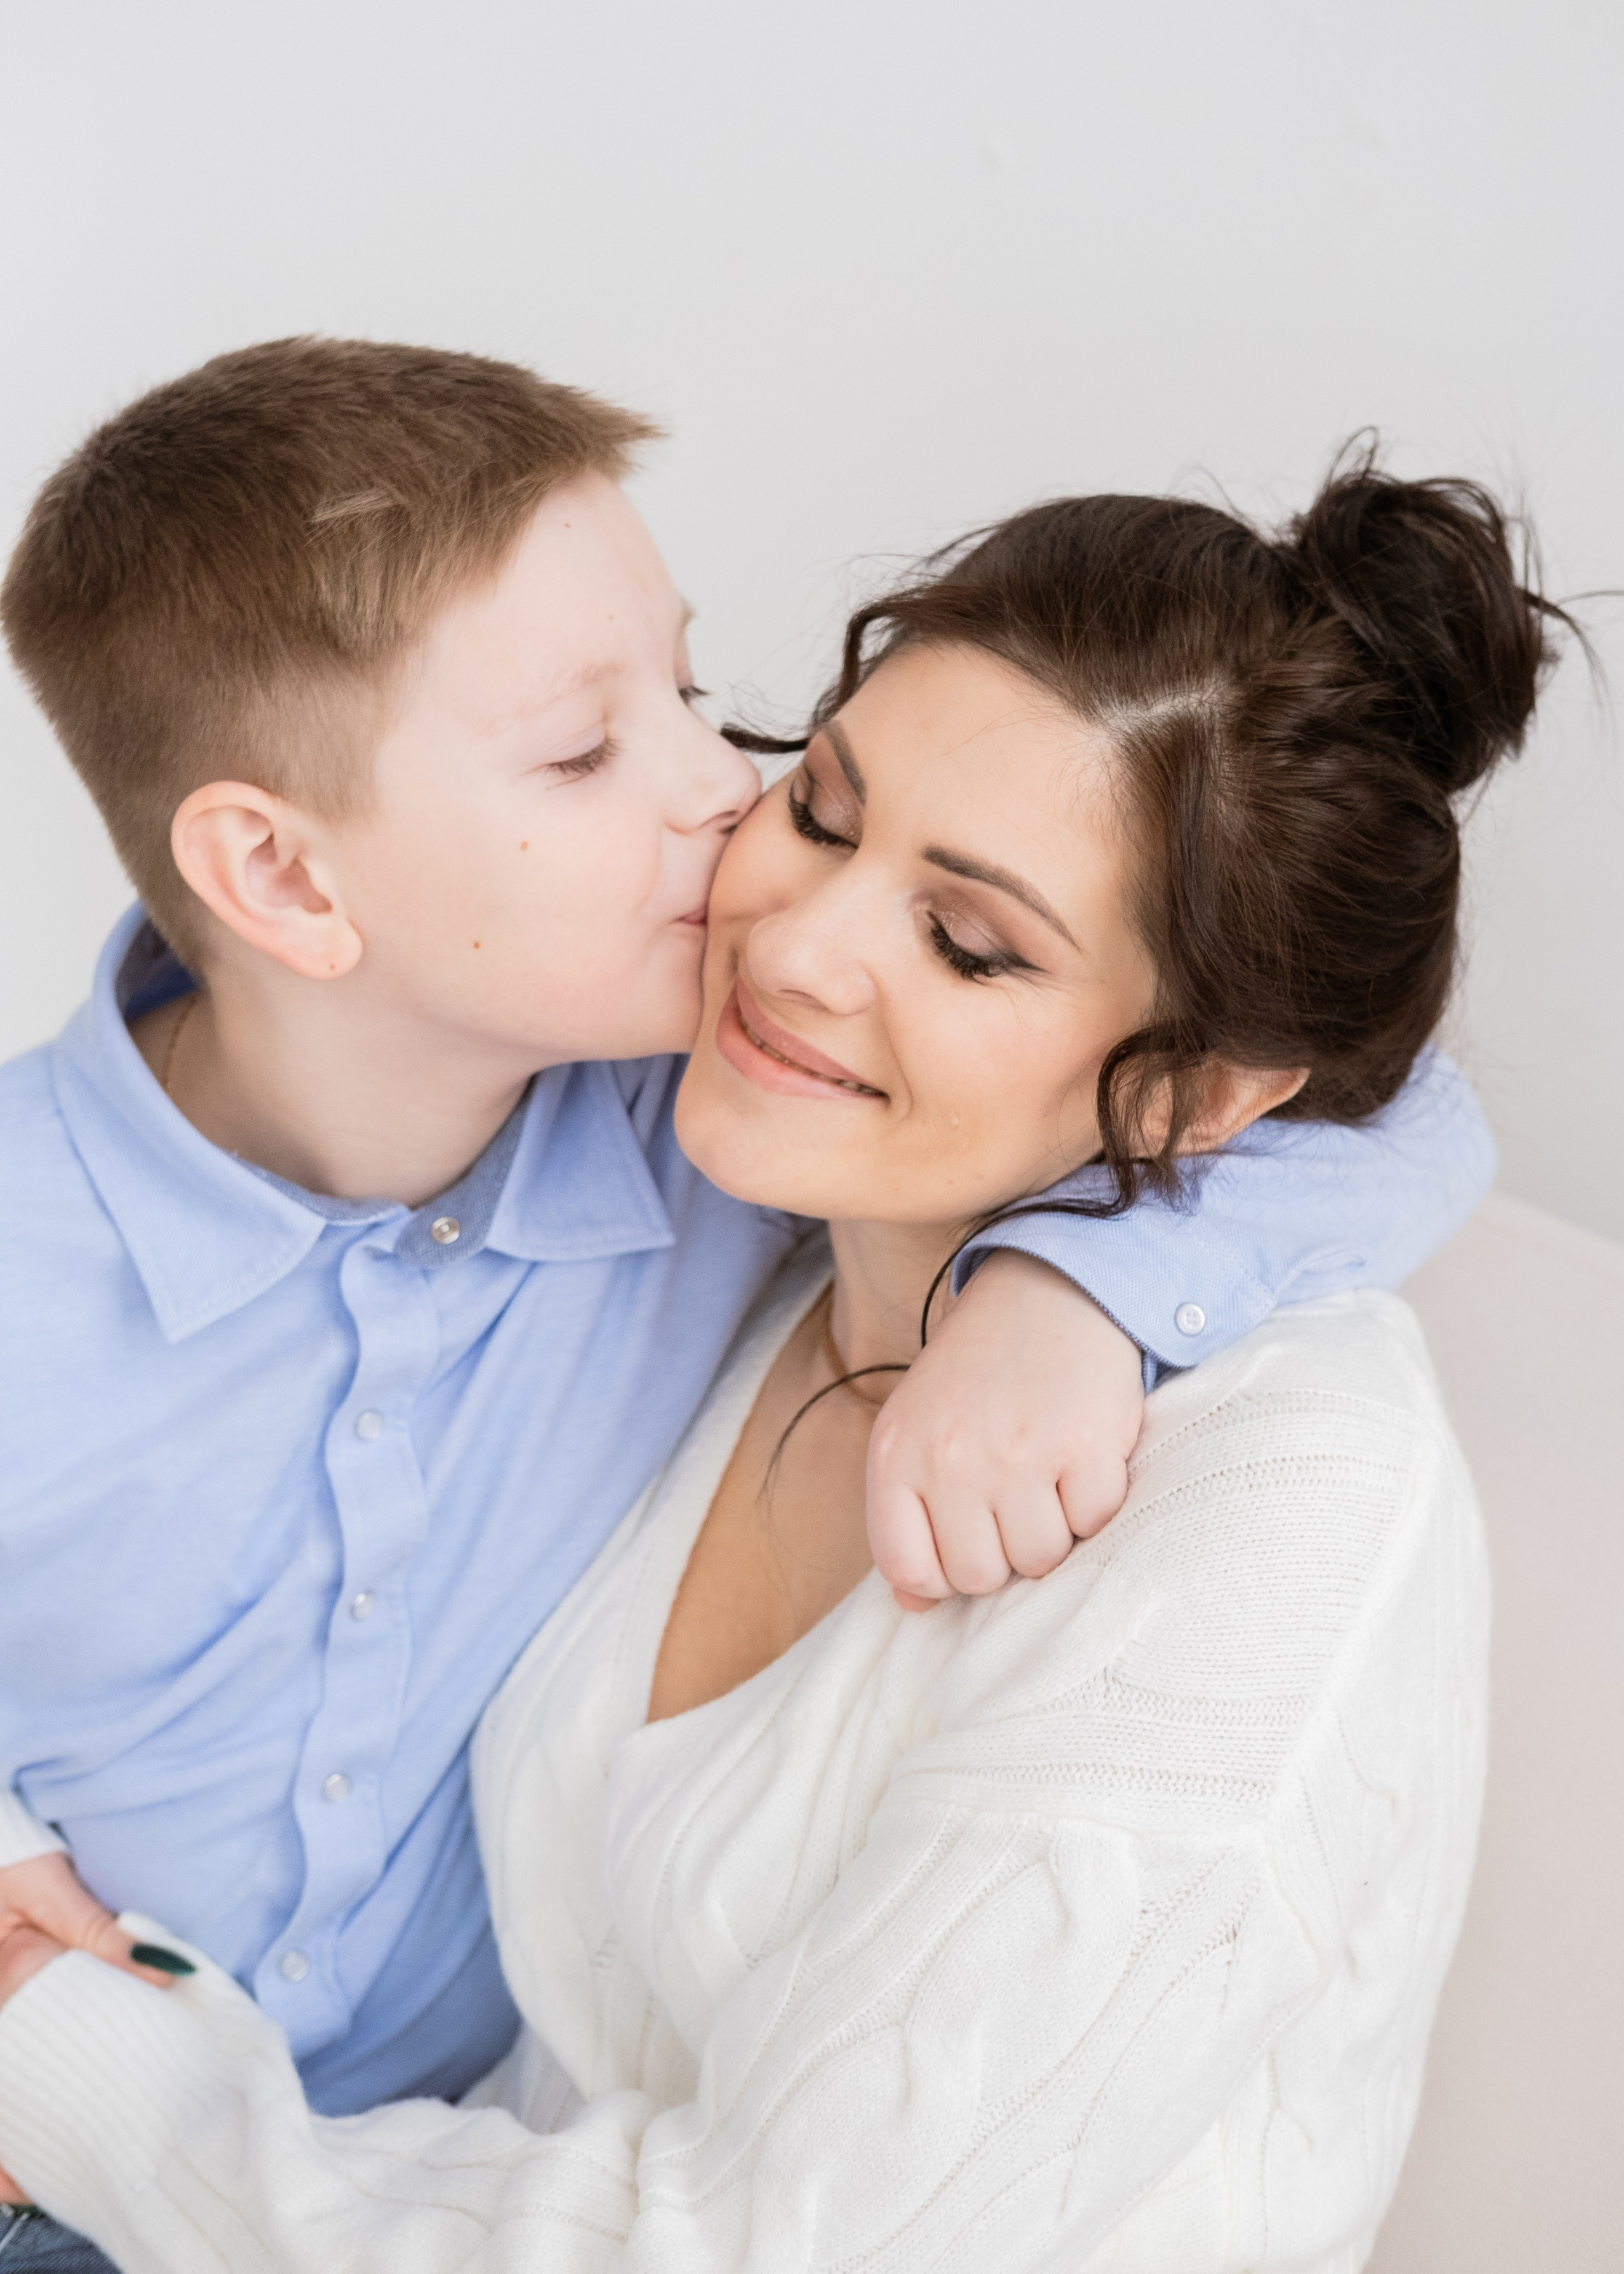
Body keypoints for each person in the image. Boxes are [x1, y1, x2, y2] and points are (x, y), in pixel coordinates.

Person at [0, 450, 1553, 2270]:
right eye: (816, 808)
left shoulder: (1282, 1500)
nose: (790, 946)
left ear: (1213, 1095)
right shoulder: (753, 1228)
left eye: (969, 945)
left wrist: (63, 2049)